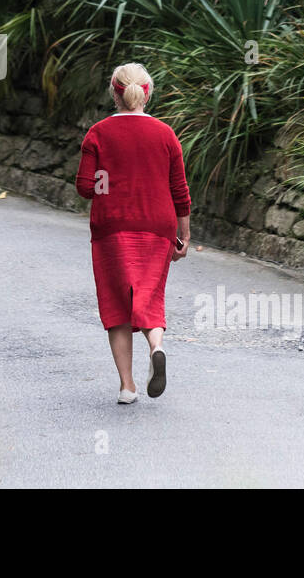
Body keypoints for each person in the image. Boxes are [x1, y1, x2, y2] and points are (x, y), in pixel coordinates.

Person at [74, 62, 191, 404]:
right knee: (149, 294)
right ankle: (156, 347)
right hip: (158, 226)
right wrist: (183, 234)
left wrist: (110, 181)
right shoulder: (166, 134)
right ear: (147, 94)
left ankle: (127, 387)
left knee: (116, 303)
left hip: (112, 226)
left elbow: (85, 187)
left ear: (114, 93)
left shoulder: (98, 133)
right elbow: (179, 190)